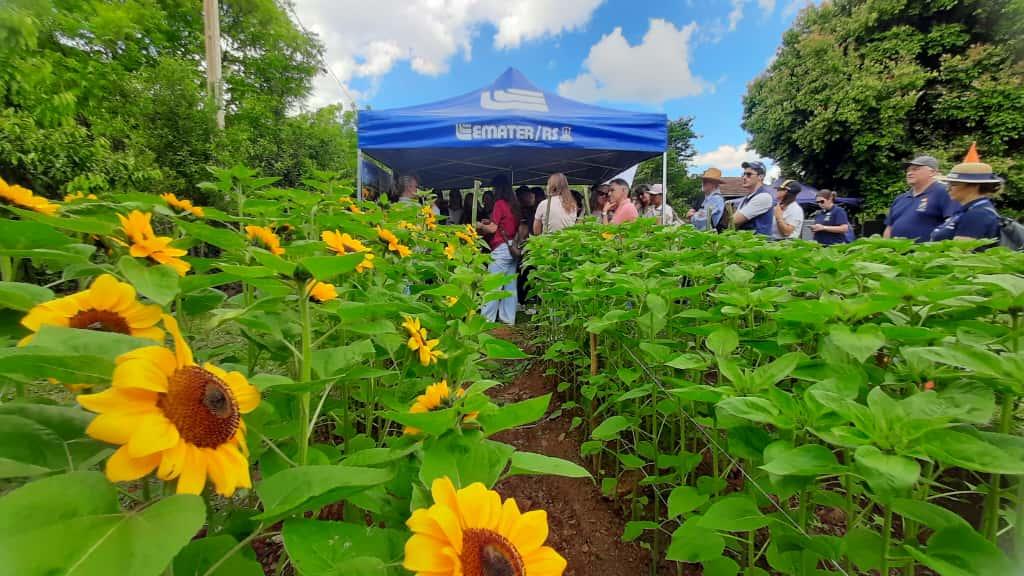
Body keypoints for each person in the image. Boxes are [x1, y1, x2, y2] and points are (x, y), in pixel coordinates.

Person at [884, 155, 958, 242]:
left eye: (915, 169)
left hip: (927, 253)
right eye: (908, 170)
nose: (909, 173)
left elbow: (954, 223)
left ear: (932, 172)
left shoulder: (945, 192)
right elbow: (889, 227)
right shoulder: (900, 198)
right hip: (897, 253)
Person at [477, 175, 519, 325]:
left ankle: (486, 321)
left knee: (492, 285)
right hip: (512, 247)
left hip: (500, 248)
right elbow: (503, 224)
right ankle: (508, 320)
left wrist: (481, 226)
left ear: (498, 188)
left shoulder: (499, 203)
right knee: (510, 286)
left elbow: (493, 228)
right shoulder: (513, 205)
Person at [930, 161, 1003, 243]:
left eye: (954, 184)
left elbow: (960, 251)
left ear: (975, 186)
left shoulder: (978, 214)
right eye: (948, 184)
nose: (948, 189)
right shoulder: (966, 211)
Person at [732, 161, 774, 236]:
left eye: (749, 174)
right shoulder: (747, 198)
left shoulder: (764, 197)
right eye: (743, 174)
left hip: (759, 245)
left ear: (760, 177)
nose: (744, 177)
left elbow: (734, 221)